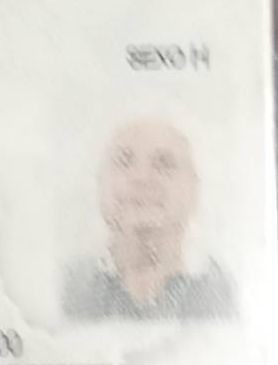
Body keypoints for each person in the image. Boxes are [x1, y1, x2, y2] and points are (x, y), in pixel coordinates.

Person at [63, 118, 234, 322]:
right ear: (100, 184)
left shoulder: (224, 294)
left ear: (193, 190)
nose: (142, 178)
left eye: (165, 164)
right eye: (124, 162)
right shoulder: (66, 288)